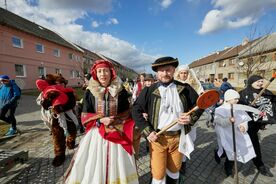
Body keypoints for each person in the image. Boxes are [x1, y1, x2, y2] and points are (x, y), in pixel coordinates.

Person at [65, 60, 139, 184]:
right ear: (95, 74)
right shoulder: (90, 91)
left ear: (111, 73)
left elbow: (127, 112)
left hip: (117, 130)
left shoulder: (120, 91)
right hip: (96, 133)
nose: (102, 74)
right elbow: (84, 114)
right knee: (94, 163)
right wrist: (100, 120)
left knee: (118, 163)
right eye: (99, 71)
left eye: (105, 71)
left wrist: (116, 120)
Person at [132, 56, 203, 184]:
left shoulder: (185, 89)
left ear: (173, 70)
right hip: (158, 139)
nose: (165, 73)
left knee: (174, 171)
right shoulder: (149, 90)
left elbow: (200, 105)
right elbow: (135, 109)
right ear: (157, 73)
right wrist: (147, 131)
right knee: (158, 175)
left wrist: (190, 118)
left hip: (178, 139)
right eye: (161, 70)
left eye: (168, 69)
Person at [239, 75, 275, 177]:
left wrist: (265, 122)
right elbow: (235, 107)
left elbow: (271, 105)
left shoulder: (266, 92)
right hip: (244, 124)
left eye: (261, 81)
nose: (260, 83)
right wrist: (246, 107)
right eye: (258, 81)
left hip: (256, 125)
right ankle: (223, 155)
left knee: (254, 144)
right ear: (251, 82)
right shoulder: (243, 93)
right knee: (236, 143)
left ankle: (260, 166)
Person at [214, 89, 256, 176]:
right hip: (225, 134)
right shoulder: (220, 109)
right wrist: (228, 120)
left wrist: (244, 126)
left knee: (233, 152)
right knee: (227, 150)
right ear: (228, 99)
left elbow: (245, 120)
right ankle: (218, 153)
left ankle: (228, 167)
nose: (237, 100)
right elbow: (219, 121)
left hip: (236, 134)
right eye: (235, 99)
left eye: (238, 99)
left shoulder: (239, 108)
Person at [174, 64, 204, 178]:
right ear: (178, 74)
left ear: (188, 74)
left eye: (185, 73)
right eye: (181, 73)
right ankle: (177, 163)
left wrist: (192, 116)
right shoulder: (174, 85)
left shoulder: (196, 85)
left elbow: (201, 102)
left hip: (190, 118)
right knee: (177, 142)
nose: (183, 75)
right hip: (178, 118)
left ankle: (183, 162)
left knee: (188, 140)